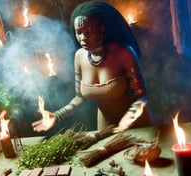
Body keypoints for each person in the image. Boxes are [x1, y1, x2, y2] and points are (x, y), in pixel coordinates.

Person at [32, 1, 152, 133]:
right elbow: (79, 98)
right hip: (105, 127)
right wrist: (56, 116)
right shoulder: (79, 56)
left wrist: (128, 118)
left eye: (89, 31)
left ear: (102, 29)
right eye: (79, 32)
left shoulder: (123, 53)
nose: (83, 38)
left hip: (136, 124)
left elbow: (141, 96)